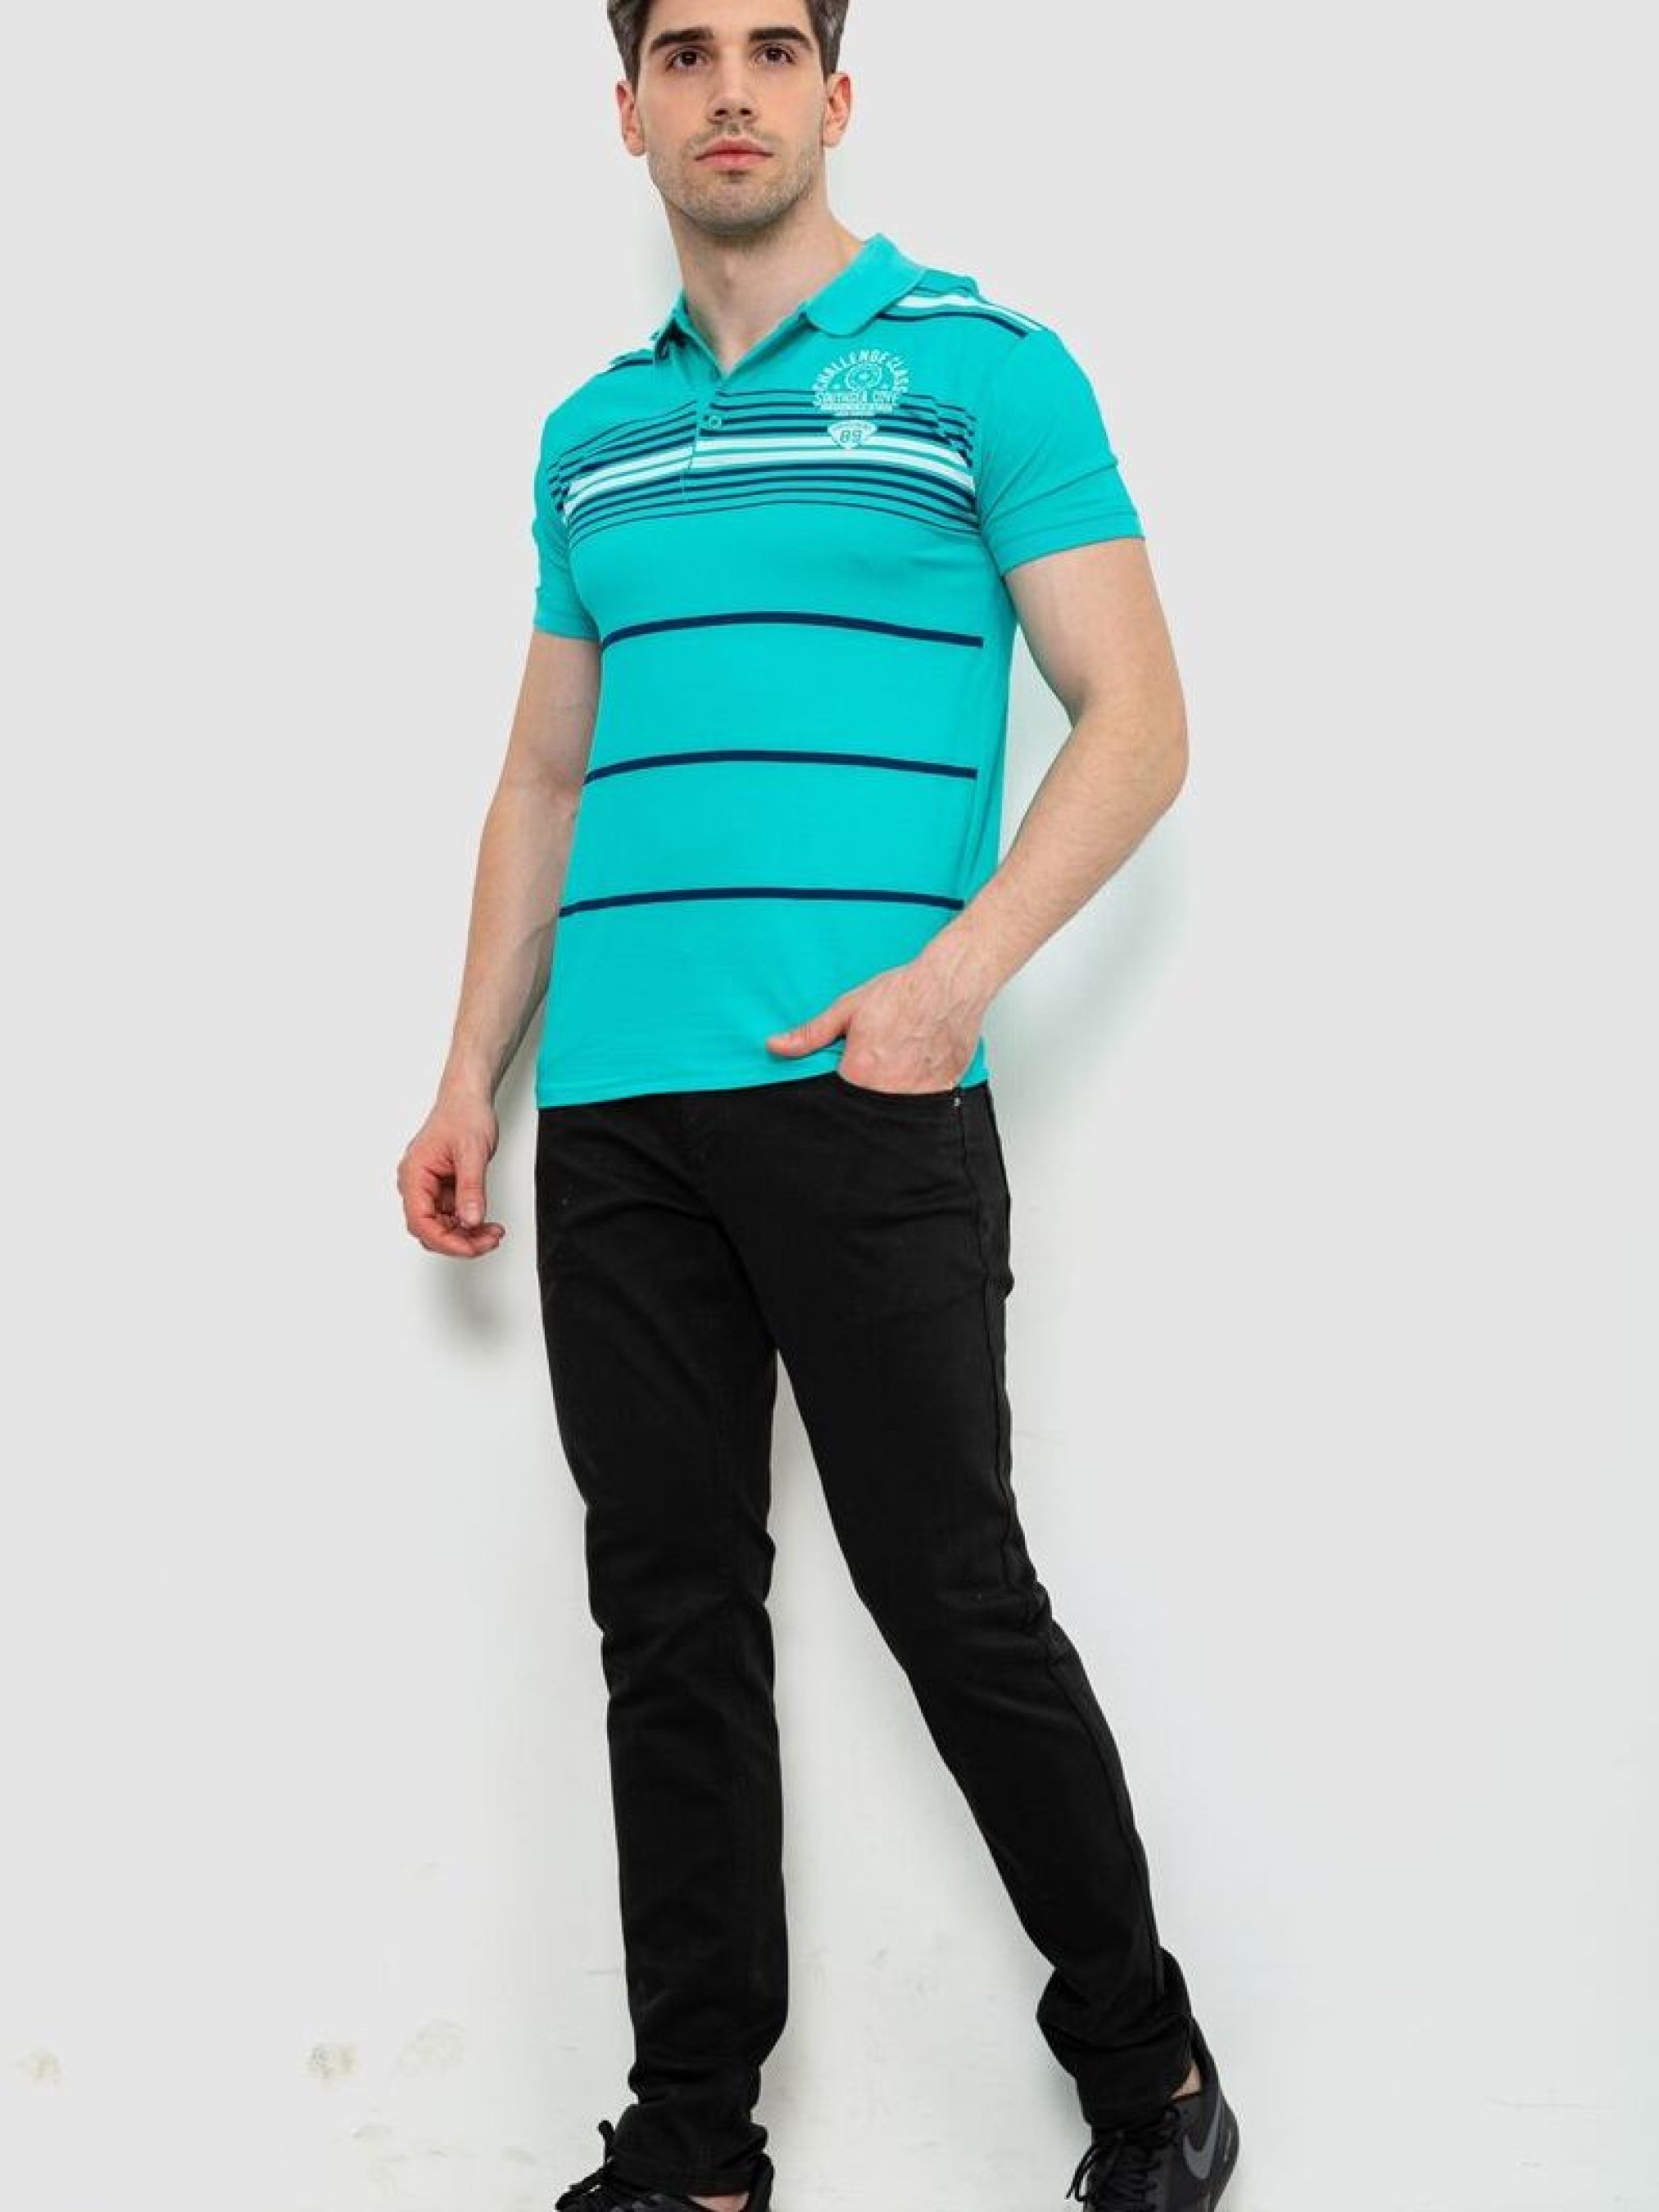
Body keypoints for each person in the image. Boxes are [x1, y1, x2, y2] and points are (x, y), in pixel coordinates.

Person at [396, 4, 1242, 2207]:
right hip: (618, 1118)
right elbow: (544, 780)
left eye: (775, 46)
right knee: (668, 1621)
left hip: (864, 1095)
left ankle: (1147, 2067)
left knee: (948, 1588)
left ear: (836, 97)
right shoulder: (591, 435)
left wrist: (949, 983)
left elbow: (1136, 719)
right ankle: (695, 2144)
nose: (732, 89)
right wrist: (469, 1073)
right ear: (628, 110)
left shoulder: (983, 370)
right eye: (684, 53)